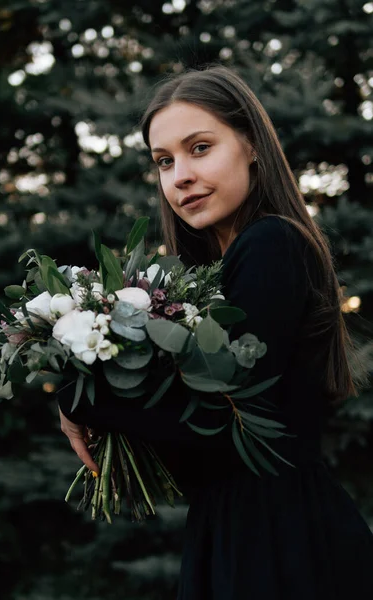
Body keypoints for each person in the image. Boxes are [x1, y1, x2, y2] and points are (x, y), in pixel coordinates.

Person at [58, 65, 373, 599]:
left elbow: (216, 416)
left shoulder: (272, 242)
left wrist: (77, 395)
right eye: (164, 161)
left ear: (250, 144)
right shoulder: (217, 276)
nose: (179, 175)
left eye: (199, 148)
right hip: (240, 528)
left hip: (278, 543)